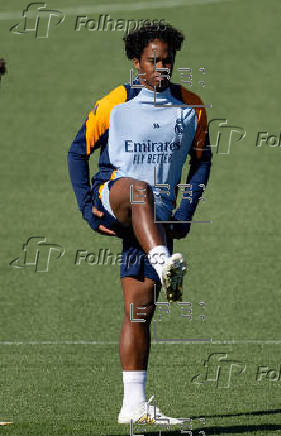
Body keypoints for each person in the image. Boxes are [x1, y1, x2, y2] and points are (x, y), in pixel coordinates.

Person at [67, 23, 211, 425]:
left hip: (156, 216)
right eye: (153, 60)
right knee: (138, 191)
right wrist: (86, 209)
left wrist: (184, 212)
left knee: (138, 311)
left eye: (167, 60)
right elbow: (77, 152)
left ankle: (133, 405)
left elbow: (203, 161)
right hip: (116, 195)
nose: (162, 67)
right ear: (136, 62)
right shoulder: (116, 101)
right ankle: (165, 260)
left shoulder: (192, 107)